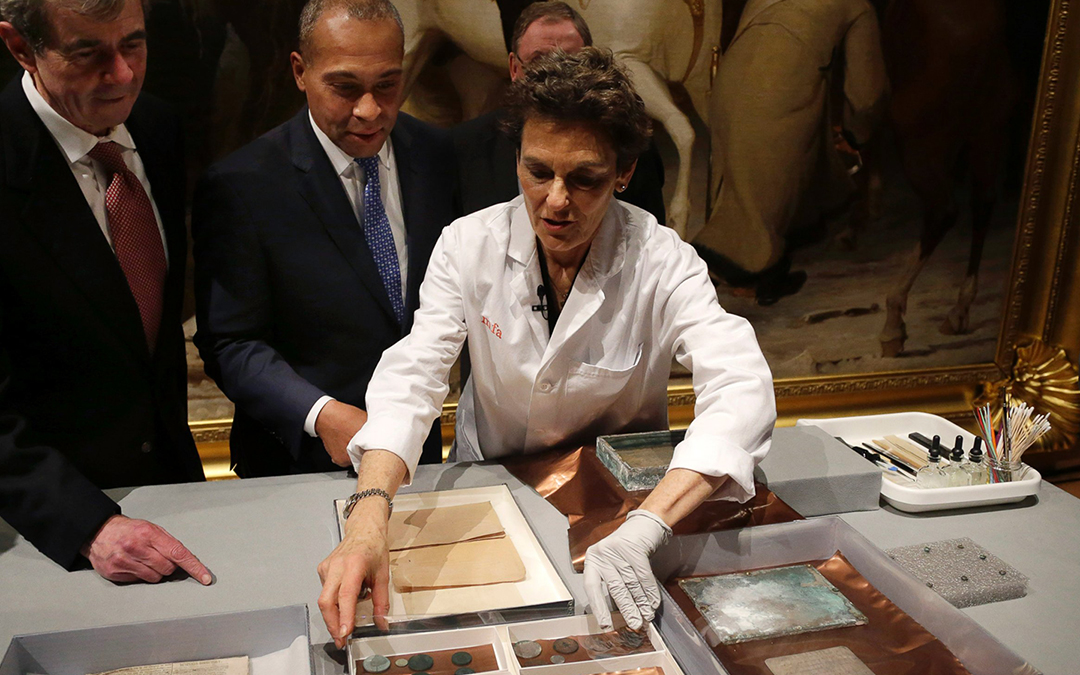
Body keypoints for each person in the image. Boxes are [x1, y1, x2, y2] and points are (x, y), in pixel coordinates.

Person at [318, 47, 775, 646]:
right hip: (495, 491)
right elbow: (414, 375)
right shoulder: (467, 245)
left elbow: (741, 385)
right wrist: (370, 511)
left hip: (620, 509)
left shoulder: (662, 260)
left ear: (623, 174)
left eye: (584, 178)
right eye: (538, 172)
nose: (556, 200)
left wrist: (649, 525)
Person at [0, 0, 212, 585]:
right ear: (21, 47)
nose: (122, 74)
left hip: (182, 496)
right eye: (88, 53)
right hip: (54, 531)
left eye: (133, 44)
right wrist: (89, 524)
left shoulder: (159, 128)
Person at [193, 0, 459, 477]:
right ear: (300, 71)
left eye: (387, 85)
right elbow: (231, 342)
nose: (369, 110)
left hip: (416, 458)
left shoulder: (439, 157)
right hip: (296, 464)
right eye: (345, 87)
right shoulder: (243, 184)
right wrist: (320, 414)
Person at [690, 0, 888, 305]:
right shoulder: (857, 4)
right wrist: (856, 134)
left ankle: (746, 265)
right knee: (766, 197)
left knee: (743, 184)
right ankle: (757, 272)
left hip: (728, 89)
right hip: (779, 89)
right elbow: (867, 96)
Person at [450, 1, 666, 223]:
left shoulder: (629, 145)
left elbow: (645, 240)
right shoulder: (464, 148)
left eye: (569, 63)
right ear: (515, 68)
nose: (554, 76)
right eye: (538, 62)